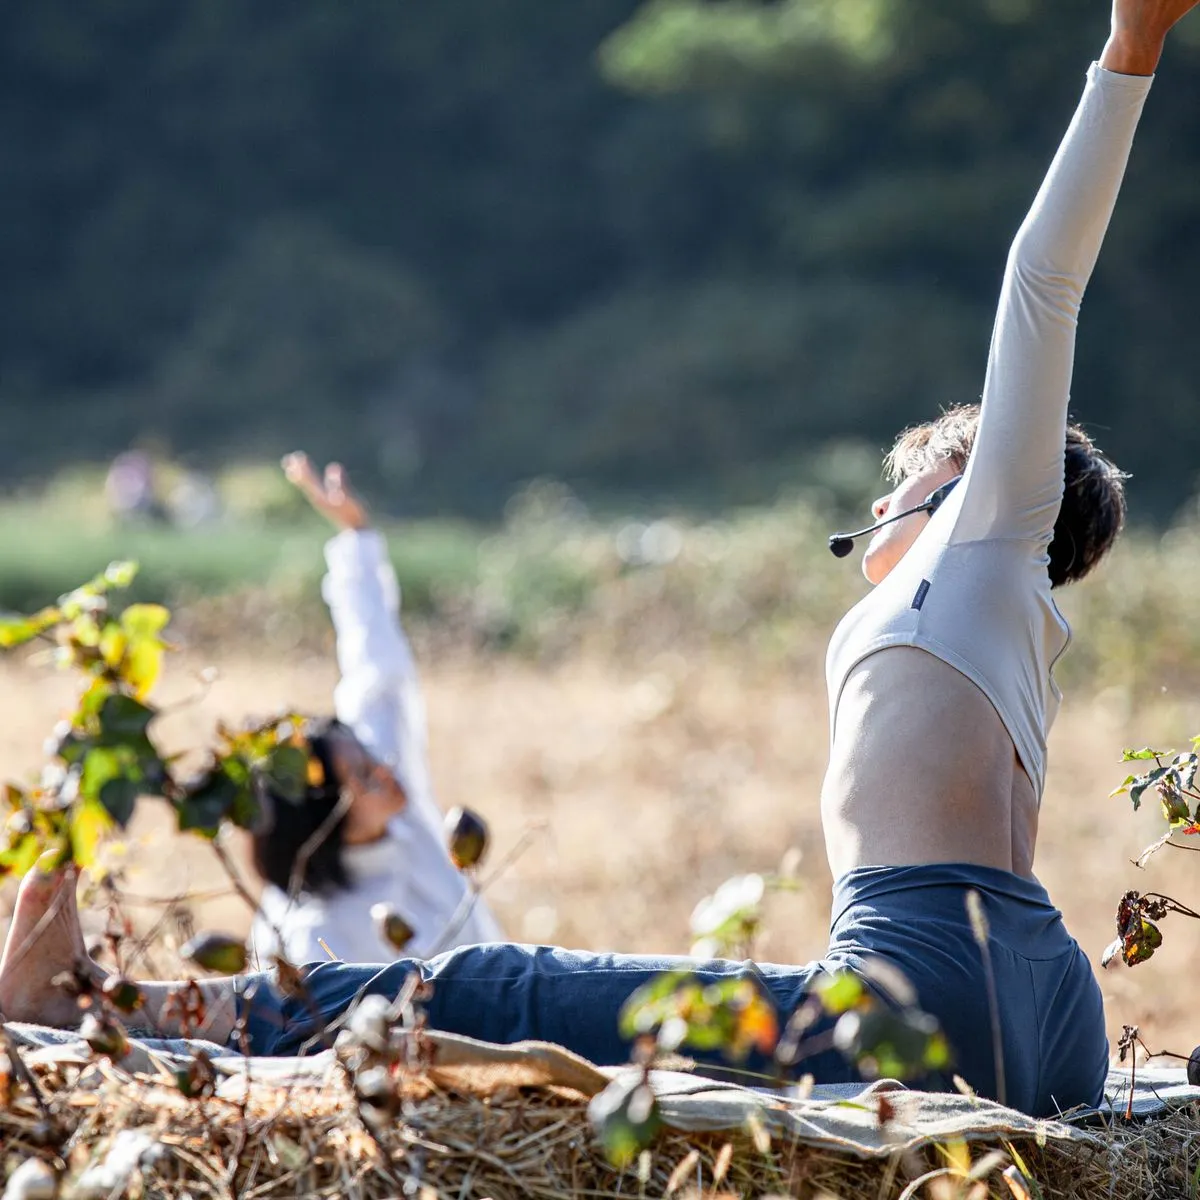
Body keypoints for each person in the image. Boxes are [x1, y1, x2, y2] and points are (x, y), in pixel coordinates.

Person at [1, 0, 1193, 1118]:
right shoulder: (1002, 615)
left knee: (487, 993)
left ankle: (105, 1010)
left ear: (966, 489)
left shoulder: (987, 542)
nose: (881, 504)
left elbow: (1042, 283)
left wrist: (1127, 48)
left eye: (906, 483)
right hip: (1044, 1007)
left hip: (932, 983)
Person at [247, 453, 503, 966]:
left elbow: (375, 665)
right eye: (363, 776)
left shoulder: (398, 818)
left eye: (368, 757)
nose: (385, 770)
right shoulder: (315, 936)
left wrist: (355, 538)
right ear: (321, 823)